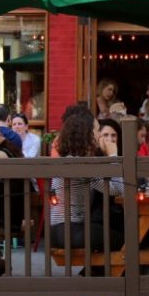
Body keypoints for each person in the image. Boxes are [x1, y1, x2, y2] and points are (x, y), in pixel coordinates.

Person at [48, 107, 124, 253]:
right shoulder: (80, 164)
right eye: (97, 130)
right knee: (128, 240)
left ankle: (96, 273)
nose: (99, 135)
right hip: (71, 230)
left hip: (59, 230)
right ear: (88, 134)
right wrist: (113, 155)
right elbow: (118, 189)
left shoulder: (71, 159)